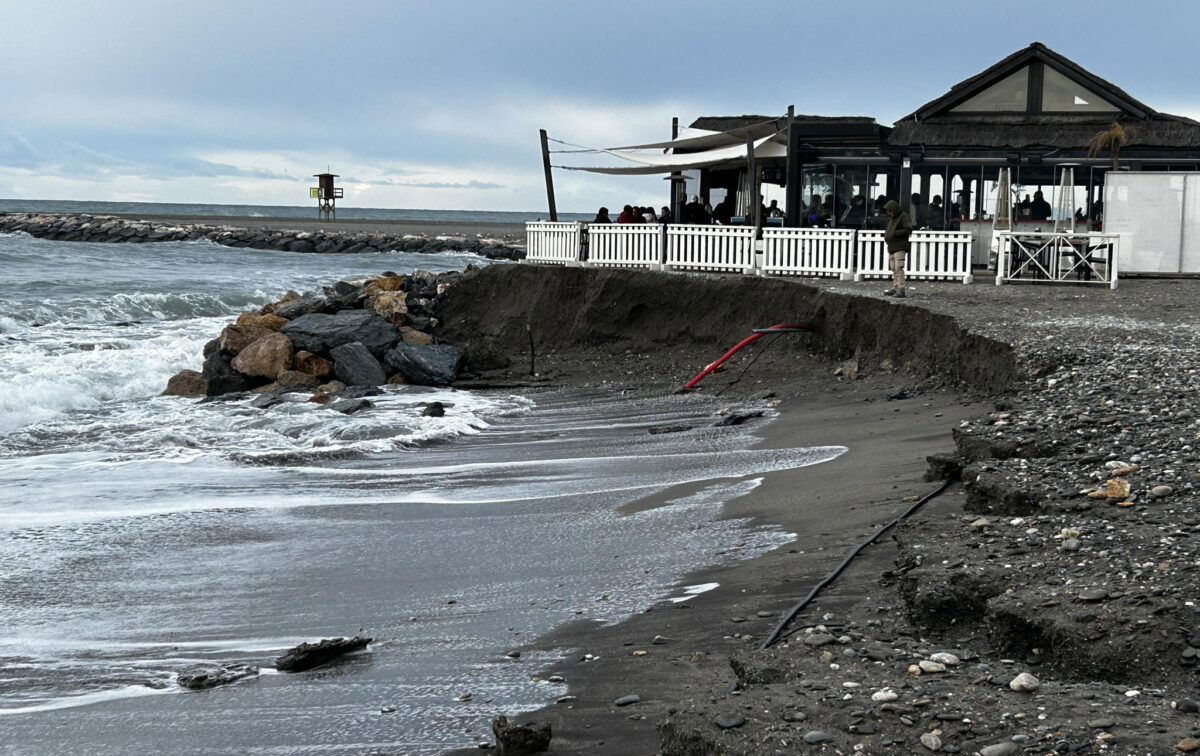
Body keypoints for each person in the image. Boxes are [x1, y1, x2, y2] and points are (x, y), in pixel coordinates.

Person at [883, 199, 912, 298]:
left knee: (898, 268)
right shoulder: (893, 218)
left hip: (899, 246)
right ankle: (895, 287)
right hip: (892, 246)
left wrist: (894, 234)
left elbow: (908, 229)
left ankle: (901, 289)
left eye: (890, 210)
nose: (888, 213)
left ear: (894, 209)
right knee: (893, 268)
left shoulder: (904, 216)